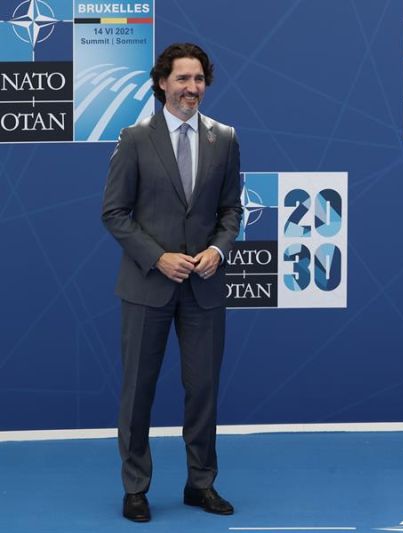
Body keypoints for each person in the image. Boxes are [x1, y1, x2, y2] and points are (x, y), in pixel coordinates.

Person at [102, 42, 242, 522]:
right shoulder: (134, 138)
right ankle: (136, 488)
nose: (192, 88)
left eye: (199, 79)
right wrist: (158, 257)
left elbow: (231, 211)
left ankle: (201, 484)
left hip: (204, 288)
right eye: (183, 79)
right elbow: (114, 213)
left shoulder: (224, 138)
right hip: (147, 286)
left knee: (202, 389)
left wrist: (217, 251)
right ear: (162, 82)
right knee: (138, 390)